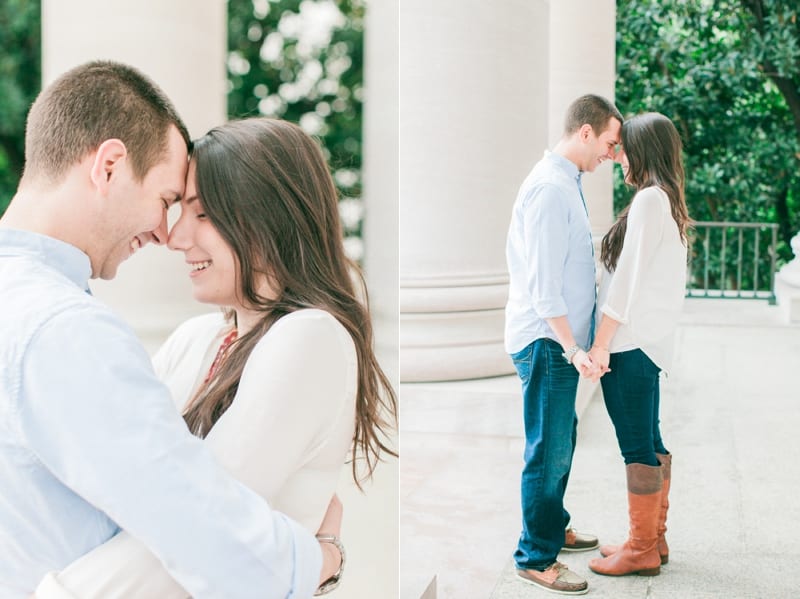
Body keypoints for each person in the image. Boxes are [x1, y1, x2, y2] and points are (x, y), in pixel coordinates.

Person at [0, 61, 342, 598]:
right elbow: (195, 524)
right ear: (109, 166)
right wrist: (319, 559)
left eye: (198, 213)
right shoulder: (64, 328)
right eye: (168, 201)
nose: (168, 234)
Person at [504, 94, 623, 595]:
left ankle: (553, 526)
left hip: (556, 343)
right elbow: (543, 287)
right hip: (547, 343)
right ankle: (535, 556)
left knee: (561, 438)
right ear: (586, 132)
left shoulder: (565, 181)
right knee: (548, 449)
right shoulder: (552, 189)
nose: (613, 156)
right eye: (611, 144)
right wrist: (575, 348)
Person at [585, 112, 689, 577]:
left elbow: (625, 283)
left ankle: (642, 548)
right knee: (650, 441)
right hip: (648, 345)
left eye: (623, 148)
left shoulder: (649, 201)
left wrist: (601, 343)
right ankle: (653, 541)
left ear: (642, 150)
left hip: (629, 346)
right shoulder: (665, 201)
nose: (618, 156)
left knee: (636, 448)